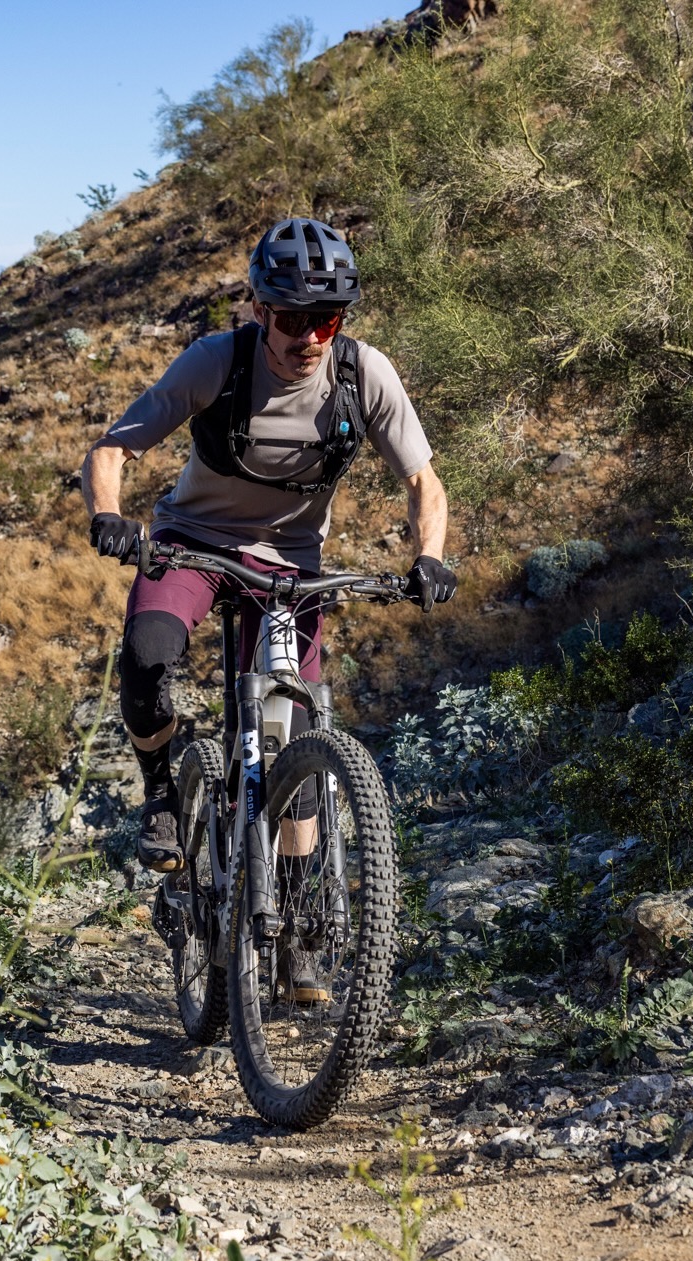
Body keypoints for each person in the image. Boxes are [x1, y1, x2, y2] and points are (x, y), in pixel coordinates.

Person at [80, 216, 455, 881]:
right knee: (147, 656)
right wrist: (108, 516)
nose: (307, 337)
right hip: (192, 544)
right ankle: (163, 791)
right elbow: (112, 449)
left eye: (327, 320)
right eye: (289, 318)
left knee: (298, 733)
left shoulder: (362, 373)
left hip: (288, 567)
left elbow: (424, 481)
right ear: (259, 309)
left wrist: (429, 555)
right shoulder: (216, 362)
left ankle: (298, 908)